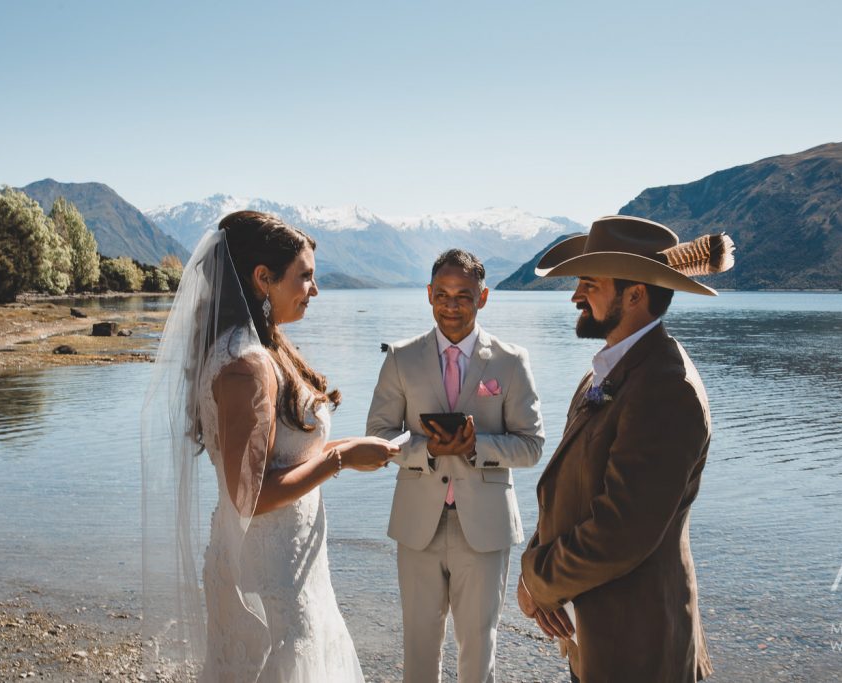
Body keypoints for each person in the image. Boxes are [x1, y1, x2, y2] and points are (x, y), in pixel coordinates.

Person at [141, 210, 398, 682]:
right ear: (263, 278)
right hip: (266, 577)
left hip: (283, 562)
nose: (315, 290)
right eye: (305, 277)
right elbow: (251, 497)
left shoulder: (259, 346)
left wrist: (354, 445)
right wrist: (339, 459)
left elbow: (281, 453)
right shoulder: (246, 363)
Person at [517, 215, 735, 682]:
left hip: (639, 646)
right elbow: (568, 489)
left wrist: (538, 578)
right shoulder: (610, 373)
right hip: (598, 636)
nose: (576, 295)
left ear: (635, 295)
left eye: (589, 284)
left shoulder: (666, 388)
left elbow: (622, 532)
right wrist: (535, 574)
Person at [366, 249, 545, 683]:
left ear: (482, 298)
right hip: (417, 525)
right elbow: (378, 437)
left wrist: (475, 447)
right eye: (442, 294)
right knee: (419, 648)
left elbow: (532, 445)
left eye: (463, 296)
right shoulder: (400, 358)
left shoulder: (509, 360)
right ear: (428, 295)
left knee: (479, 649)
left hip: (484, 529)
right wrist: (427, 450)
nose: (451, 305)